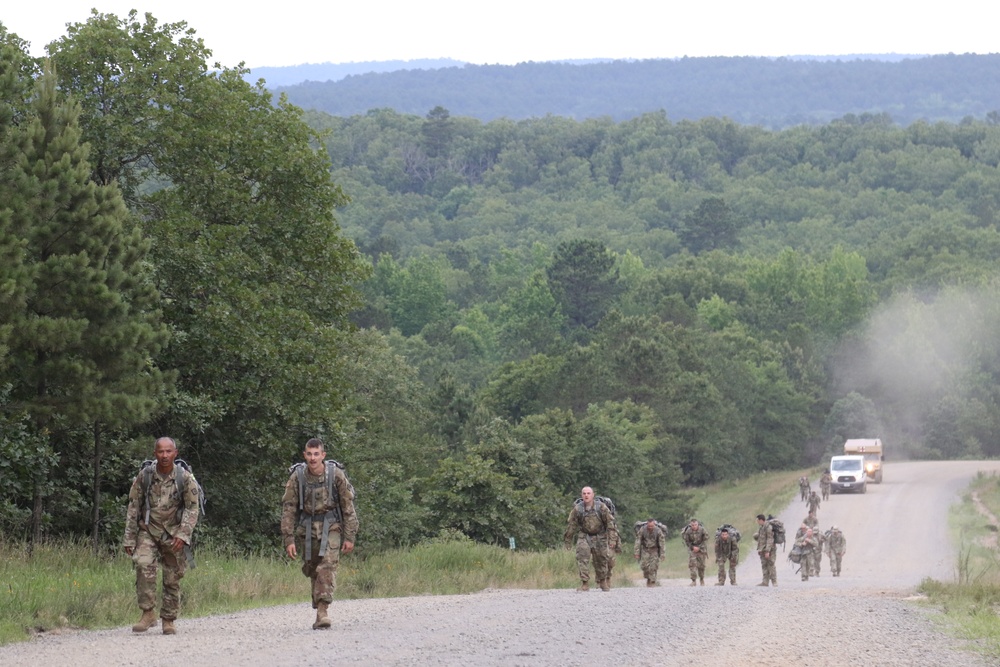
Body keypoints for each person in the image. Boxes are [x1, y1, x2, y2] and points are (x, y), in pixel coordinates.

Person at [123, 437, 201, 635]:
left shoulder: (185, 478)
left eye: (168, 451)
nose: (164, 455)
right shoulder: (145, 476)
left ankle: (168, 619)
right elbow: (133, 507)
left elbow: (192, 508)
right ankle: (147, 613)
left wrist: (183, 535)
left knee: (172, 577)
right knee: (142, 564)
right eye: (160, 452)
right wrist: (129, 537)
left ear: (175, 453)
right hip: (148, 530)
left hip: (174, 534)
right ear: (155, 453)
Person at [281, 437, 359, 629]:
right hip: (307, 529)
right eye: (309, 454)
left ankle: (323, 611)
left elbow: (348, 507)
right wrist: (288, 538)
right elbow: (288, 509)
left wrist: (349, 536)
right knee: (313, 568)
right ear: (304, 455)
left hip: (331, 526)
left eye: (317, 454)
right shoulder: (297, 477)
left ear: (323, 455)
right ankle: (319, 608)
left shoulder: (336, 475)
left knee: (327, 566)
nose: (313, 458)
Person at [564, 486, 619, 592]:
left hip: (600, 536)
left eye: (588, 493)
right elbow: (572, 525)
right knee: (582, 558)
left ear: (593, 495)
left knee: (601, 560)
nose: (586, 495)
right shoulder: (578, 508)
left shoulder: (601, 507)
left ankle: (602, 581)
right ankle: (585, 583)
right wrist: (568, 540)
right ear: (581, 495)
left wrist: (612, 540)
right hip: (584, 535)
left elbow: (610, 524)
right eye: (584, 493)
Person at [634, 518, 666, 587]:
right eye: (649, 526)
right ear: (647, 525)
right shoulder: (642, 529)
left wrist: (662, 554)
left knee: (653, 566)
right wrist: (636, 552)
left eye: (652, 526)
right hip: (645, 550)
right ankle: (648, 578)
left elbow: (662, 543)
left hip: (654, 550)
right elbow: (638, 541)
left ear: (654, 524)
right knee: (644, 566)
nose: (650, 528)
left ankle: (652, 581)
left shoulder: (658, 531)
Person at [682, 518, 709, 586]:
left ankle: (702, 579)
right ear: (690, 525)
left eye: (695, 525)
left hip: (701, 549)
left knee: (701, 566)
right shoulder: (688, 531)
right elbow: (687, 541)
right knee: (692, 565)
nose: (694, 526)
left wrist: (699, 547)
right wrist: (692, 547)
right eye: (692, 525)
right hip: (692, 550)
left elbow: (706, 539)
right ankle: (693, 580)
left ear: (698, 524)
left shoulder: (702, 530)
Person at [754, 514, 777, 587]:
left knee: (771, 565)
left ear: (761, 520)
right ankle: (765, 582)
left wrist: (767, 551)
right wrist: (759, 549)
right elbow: (761, 539)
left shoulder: (768, 527)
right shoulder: (762, 528)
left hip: (770, 550)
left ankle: (774, 582)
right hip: (763, 550)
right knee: (764, 565)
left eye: (758, 520)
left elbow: (770, 539)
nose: (757, 522)